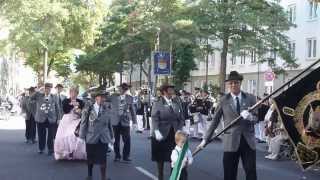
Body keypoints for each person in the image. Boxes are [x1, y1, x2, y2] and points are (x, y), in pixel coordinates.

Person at [197, 71, 258, 180]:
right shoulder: (223, 100)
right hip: (231, 140)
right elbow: (215, 121)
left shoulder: (250, 98)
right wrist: (205, 139)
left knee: (251, 171)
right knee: (229, 173)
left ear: (240, 83)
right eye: (231, 83)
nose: (233, 85)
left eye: (236, 83)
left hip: (248, 141)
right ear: (228, 85)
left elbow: (257, 118)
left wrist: (250, 117)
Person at [151, 84, 185, 180]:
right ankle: (160, 176)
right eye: (170, 90)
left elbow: (181, 117)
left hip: (174, 133)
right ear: (164, 92)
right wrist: (156, 130)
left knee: (174, 157)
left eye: (172, 90)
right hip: (161, 132)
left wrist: (180, 128)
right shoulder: (158, 102)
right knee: (160, 157)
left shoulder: (177, 101)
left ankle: (173, 176)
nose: (172, 91)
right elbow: (154, 117)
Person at [79, 91, 114, 180]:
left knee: (103, 158)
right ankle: (90, 175)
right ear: (96, 98)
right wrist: (81, 137)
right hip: (91, 137)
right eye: (101, 97)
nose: (103, 99)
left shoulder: (107, 108)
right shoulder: (88, 109)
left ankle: (103, 177)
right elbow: (84, 123)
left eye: (104, 97)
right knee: (90, 158)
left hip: (103, 138)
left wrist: (112, 136)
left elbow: (109, 124)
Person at [54, 86, 86, 160]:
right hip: (67, 119)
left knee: (74, 135)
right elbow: (65, 110)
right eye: (72, 92)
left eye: (75, 92)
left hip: (76, 119)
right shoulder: (65, 101)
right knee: (65, 136)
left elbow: (82, 112)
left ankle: (74, 152)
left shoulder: (81, 102)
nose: (73, 94)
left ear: (77, 93)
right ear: (70, 93)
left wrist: (78, 110)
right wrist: (71, 105)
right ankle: (66, 152)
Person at [107, 83, 137, 163]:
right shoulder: (113, 96)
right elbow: (104, 99)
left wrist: (135, 122)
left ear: (125, 90)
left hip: (125, 121)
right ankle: (117, 156)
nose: (121, 90)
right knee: (116, 140)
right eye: (120, 89)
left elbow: (132, 110)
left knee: (127, 140)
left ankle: (126, 156)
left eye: (123, 89)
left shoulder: (129, 98)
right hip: (115, 121)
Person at [30, 83, 60, 155]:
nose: (48, 89)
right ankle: (41, 148)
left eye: (49, 88)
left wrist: (59, 118)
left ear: (51, 89)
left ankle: (50, 150)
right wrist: (37, 91)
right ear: (44, 88)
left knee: (51, 135)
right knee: (41, 134)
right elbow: (31, 98)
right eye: (46, 88)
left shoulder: (54, 96)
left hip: (51, 118)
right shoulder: (38, 95)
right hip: (40, 118)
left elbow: (57, 108)